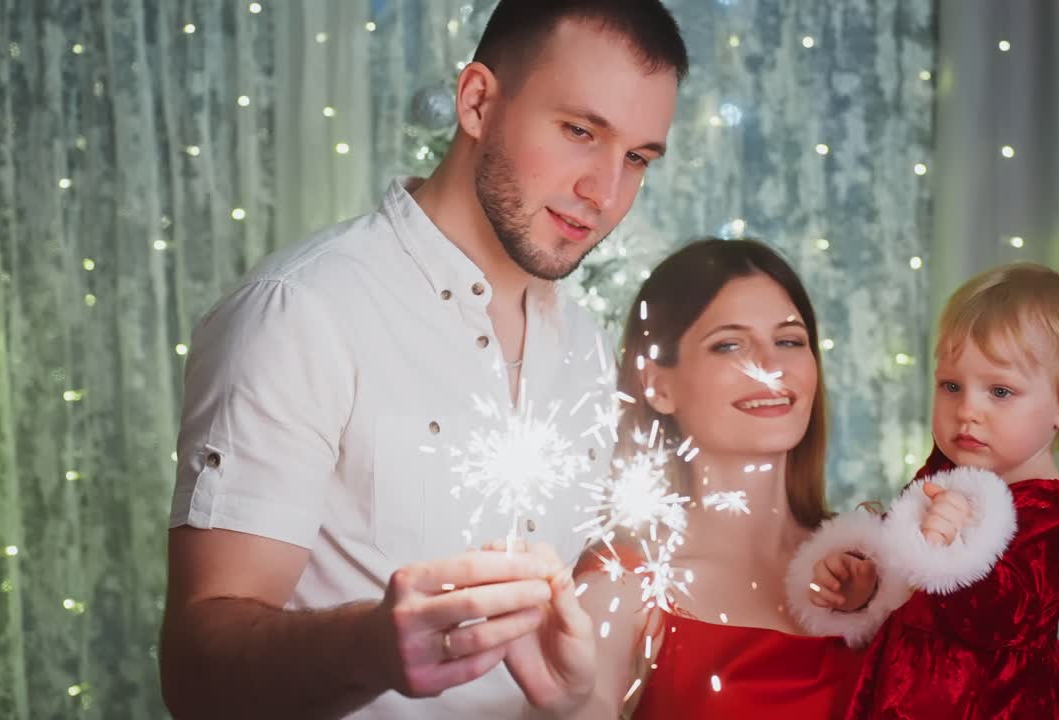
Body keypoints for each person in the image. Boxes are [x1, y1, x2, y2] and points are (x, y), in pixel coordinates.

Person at [158, 2, 688, 718]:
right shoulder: (302, 313)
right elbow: (195, 678)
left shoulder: (588, 351)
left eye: (636, 158)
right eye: (579, 132)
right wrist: (371, 648)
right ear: (477, 102)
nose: (605, 192)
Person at [568, 239, 966, 719]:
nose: (772, 366)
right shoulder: (619, 591)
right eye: (729, 344)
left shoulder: (881, 568)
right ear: (658, 384)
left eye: (789, 340)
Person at [809, 262, 1059, 719]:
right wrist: (867, 584)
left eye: (1001, 392)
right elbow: (905, 565)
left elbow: (1001, 616)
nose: (967, 409)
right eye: (952, 385)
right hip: (907, 686)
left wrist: (955, 549)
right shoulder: (948, 468)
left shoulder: (1049, 516)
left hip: (993, 704)